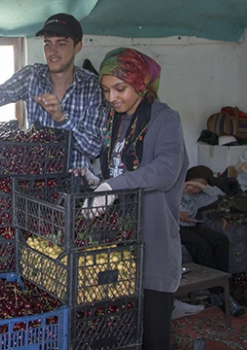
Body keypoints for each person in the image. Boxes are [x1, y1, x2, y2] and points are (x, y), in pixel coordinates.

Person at [79, 48, 189, 349]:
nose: (112, 97)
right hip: (119, 245)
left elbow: (166, 170)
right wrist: (98, 182)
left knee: (153, 337)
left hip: (153, 244)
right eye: (106, 90)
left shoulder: (165, 120)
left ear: (140, 84)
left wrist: (113, 187)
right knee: (118, 333)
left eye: (120, 88)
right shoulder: (114, 122)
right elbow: (117, 170)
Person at [0, 13, 106, 170]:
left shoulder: (93, 87)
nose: (52, 51)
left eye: (61, 44)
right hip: (37, 184)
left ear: (77, 47)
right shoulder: (32, 76)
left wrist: (62, 119)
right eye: (47, 44)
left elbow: (94, 149)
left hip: (76, 186)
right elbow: (5, 91)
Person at [180, 165, 244, 317]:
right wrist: (177, 214)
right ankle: (219, 292)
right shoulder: (175, 191)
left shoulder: (201, 197)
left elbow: (218, 195)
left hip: (190, 227)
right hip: (173, 227)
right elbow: (162, 205)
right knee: (200, 245)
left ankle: (219, 290)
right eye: (193, 181)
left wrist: (199, 185)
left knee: (220, 239)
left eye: (201, 184)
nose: (195, 188)